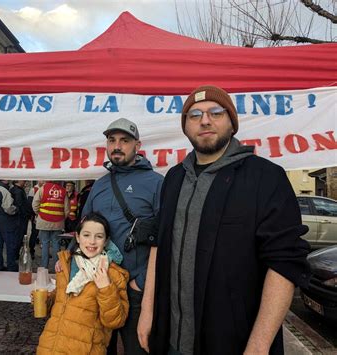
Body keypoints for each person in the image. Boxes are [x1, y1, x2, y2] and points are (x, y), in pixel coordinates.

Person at [146, 85, 311, 355]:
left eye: (216, 112)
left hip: (235, 343)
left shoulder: (266, 178)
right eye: (195, 114)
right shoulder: (173, 179)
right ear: (185, 126)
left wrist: (258, 347)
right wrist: (148, 313)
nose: (205, 120)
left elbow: (285, 264)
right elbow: (159, 244)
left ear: (232, 123)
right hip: (171, 340)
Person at [82, 118, 163, 354]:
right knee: (98, 348)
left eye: (124, 141)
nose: (117, 146)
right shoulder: (99, 185)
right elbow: (84, 230)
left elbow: (168, 237)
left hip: (135, 290)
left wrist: (142, 282)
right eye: (112, 140)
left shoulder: (157, 183)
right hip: (100, 287)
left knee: (138, 350)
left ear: (137, 145)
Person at [37, 212, 129, 354]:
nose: (92, 241)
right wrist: (47, 300)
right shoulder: (65, 264)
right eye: (86, 235)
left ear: (106, 241)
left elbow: (115, 321)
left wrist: (106, 288)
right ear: (78, 237)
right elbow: (64, 301)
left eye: (98, 236)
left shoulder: (113, 274)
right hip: (50, 347)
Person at [32, 181, 70, 269]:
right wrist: (61, 217)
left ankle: (44, 267)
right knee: (56, 244)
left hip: (44, 221)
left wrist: (39, 214)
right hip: (58, 222)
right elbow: (67, 209)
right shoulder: (63, 191)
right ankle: (57, 267)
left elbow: (35, 204)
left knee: (45, 244)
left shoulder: (42, 189)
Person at [10, 180, 32, 254]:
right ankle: (16, 254)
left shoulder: (14, 190)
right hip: (20, 218)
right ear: (18, 181)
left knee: (17, 236)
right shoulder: (18, 191)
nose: (25, 182)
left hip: (17, 217)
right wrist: (26, 214)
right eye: (23, 180)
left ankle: (15, 253)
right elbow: (20, 205)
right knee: (19, 237)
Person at [27, 181, 44, 258]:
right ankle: (31, 250)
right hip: (36, 215)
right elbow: (30, 203)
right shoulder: (33, 189)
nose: (43, 182)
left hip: (45, 214)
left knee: (44, 234)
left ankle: (44, 251)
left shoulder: (46, 189)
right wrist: (33, 215)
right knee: (34, 233)